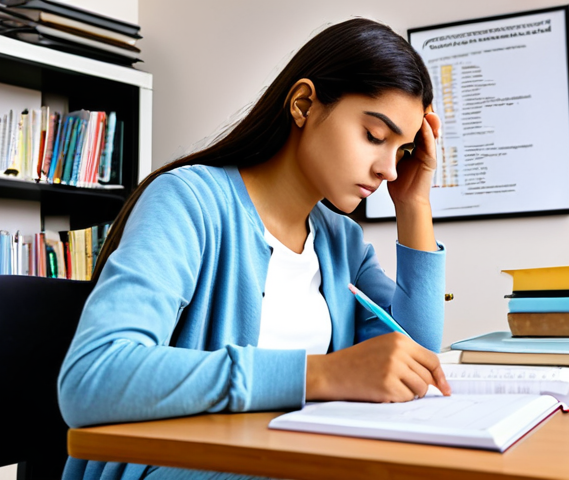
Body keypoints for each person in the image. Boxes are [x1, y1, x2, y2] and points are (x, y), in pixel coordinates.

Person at [58, 17, 450, 480]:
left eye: (402, 152)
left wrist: (414, 203)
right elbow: (91, 379)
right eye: (374, 136)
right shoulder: (189, 202)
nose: (388, 168)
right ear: (303, 104)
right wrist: (320, 375)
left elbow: (416, 365)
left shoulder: (341, 243)